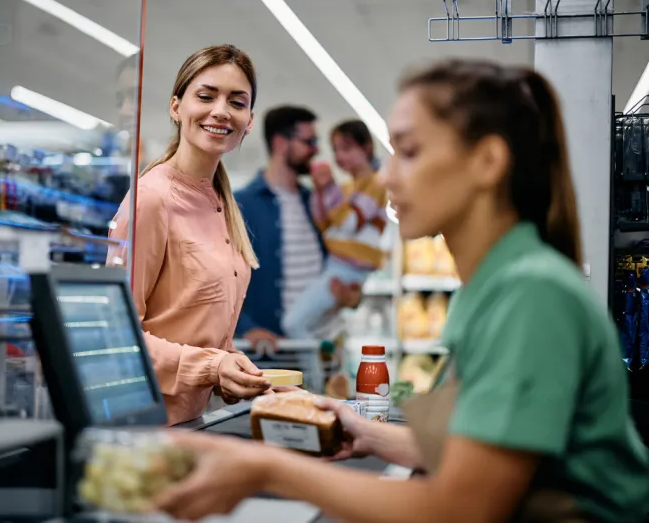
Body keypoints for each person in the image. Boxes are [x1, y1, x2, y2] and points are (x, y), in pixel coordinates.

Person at [153, 59, 649, 522]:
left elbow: (460, 506)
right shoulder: (501, 283)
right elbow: (481, 446)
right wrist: (366, 431)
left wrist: (265, 470)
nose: (387, 176)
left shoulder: (530, 295)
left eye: (408, 152)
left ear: (487, 161)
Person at [107, 45, 271, 426]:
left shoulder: (221, 202)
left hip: (193, 426)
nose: (220, 111)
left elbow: (196, 328)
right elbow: (116, 337)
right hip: (144, 429)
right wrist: (213, 366)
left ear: (248, 120)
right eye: (206, 96)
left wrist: (235, 374)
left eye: (236, 101)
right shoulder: (151, 199)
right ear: (176, 107)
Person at [234, 106, 361, 347]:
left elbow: (343, 260)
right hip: (272, 356)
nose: (316, 150)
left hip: (323, 348)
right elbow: (218, 282)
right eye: (309, 141)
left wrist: (352, 296)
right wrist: (245, 328)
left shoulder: (314, 201)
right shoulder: (241, 205)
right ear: (281, 143)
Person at [282, 120, 388, 339]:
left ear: (366, 146)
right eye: (336, 150)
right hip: (337, 267)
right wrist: (321, 192)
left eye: (347, 148)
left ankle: (313, 369)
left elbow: (349, 223)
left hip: (347, 269)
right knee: (309, 325)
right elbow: (324, 224)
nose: (339, 156)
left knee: (294, 323)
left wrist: (329, 189)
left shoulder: (376, 185)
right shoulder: (347, 188)